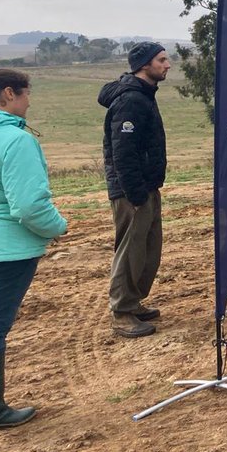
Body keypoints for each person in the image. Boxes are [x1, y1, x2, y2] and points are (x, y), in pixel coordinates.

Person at [0, 69, 67, 427]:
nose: (29, 100)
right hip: (6, 250)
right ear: (9, 94)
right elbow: (28, 206)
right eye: (26, 93)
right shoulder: (15, 140)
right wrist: (58, 227)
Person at [98, 42, 169, 339]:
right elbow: (123, 152)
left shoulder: (144, 96)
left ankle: (133, 301)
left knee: (148, 249)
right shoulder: (131, 100)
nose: (168, 65)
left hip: (145, 186)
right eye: (162, 60)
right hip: (132, 191)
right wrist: (136, 194)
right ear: (144, 65)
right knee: (130, 251)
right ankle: (123, 311)